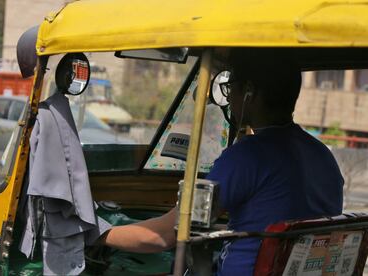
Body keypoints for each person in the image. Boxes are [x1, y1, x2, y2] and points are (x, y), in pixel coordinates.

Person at [100, 50, 344, 275]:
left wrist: (100, 234)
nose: (229, 97)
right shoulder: (324, 156)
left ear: (250, 92)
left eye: (231, 87)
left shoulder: (248, 155)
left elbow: (162, 236)